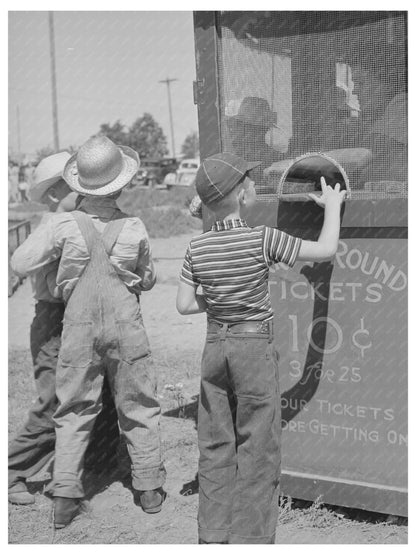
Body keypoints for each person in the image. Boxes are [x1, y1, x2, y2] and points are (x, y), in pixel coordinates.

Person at [176, 152, 346, 544]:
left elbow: (184, 305)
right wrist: (333, 207)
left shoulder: (195, 248)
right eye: (249, 181)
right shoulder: (262, 239)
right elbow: (324, 250)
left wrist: (219, 299)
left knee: (216, 440)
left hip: (215, 344)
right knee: (258, 444)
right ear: (243, 196)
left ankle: (213, 534)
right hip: (253, 344)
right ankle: (252, 539)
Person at [11, 136, 166, 528]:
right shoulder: (134, 227)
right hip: (126, 325)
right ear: (123, 183)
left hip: (76, 326)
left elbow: (20, 261)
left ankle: (64, 496)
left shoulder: (63, 224)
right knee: (138, 404)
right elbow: (148, 279)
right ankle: (148, 487)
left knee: (73, 408)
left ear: (80, 183)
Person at [8, 152, 120, 506]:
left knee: (101, 390)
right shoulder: (52, 225)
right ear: (57, 191)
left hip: (85, 314)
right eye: (77, 188)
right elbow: (22, 262)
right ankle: (13, 471)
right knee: (55, 400)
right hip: (56, 318)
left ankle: (98, 462)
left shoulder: (81, 221)